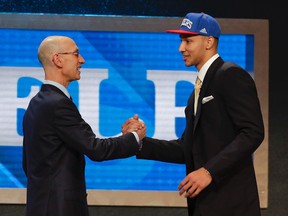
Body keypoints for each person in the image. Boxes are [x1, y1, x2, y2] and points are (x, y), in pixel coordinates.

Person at [122, 12, 264, 216]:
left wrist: (209, 171)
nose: (181, 48)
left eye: (188, 40)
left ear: (208, 42)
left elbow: (253, 132)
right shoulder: (197, 91)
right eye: (181, 41)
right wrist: (138, 142)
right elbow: (186, 148)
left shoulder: (230, 74)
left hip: (232, 205)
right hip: (204, 206)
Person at [22, 35, 146, 216]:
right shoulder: (57, 104)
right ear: (58, 59)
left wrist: (124, 136)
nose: (82, 60)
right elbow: (96, 149)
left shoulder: (38, 103)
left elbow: (28, 164)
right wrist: (135, 137)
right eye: (76, 54)